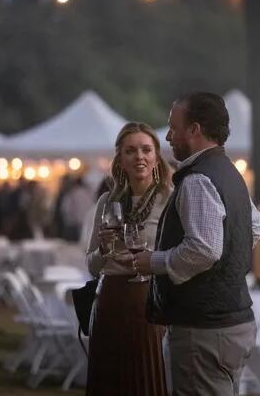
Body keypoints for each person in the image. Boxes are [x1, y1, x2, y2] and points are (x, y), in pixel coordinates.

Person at [123, 92, 260, 395]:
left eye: (173, 128)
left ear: (195, 130)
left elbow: (203, 250)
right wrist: (227, 265)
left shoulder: (198, 180)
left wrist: (153, 261)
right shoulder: (229, 173)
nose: (169, 137)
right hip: (232, 322)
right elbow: (253, 227)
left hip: (203, 330)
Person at [86, 122, 172, 396]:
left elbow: (175, 257)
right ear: (120, 159)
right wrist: (103, 249)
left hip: (149, 298)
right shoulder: (106, 202)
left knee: (147, 380)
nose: (139, 157)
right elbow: (91, 265)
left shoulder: (169, 200)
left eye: (146, 150)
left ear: (156, 157)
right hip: (110, 299)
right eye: (131, 150)